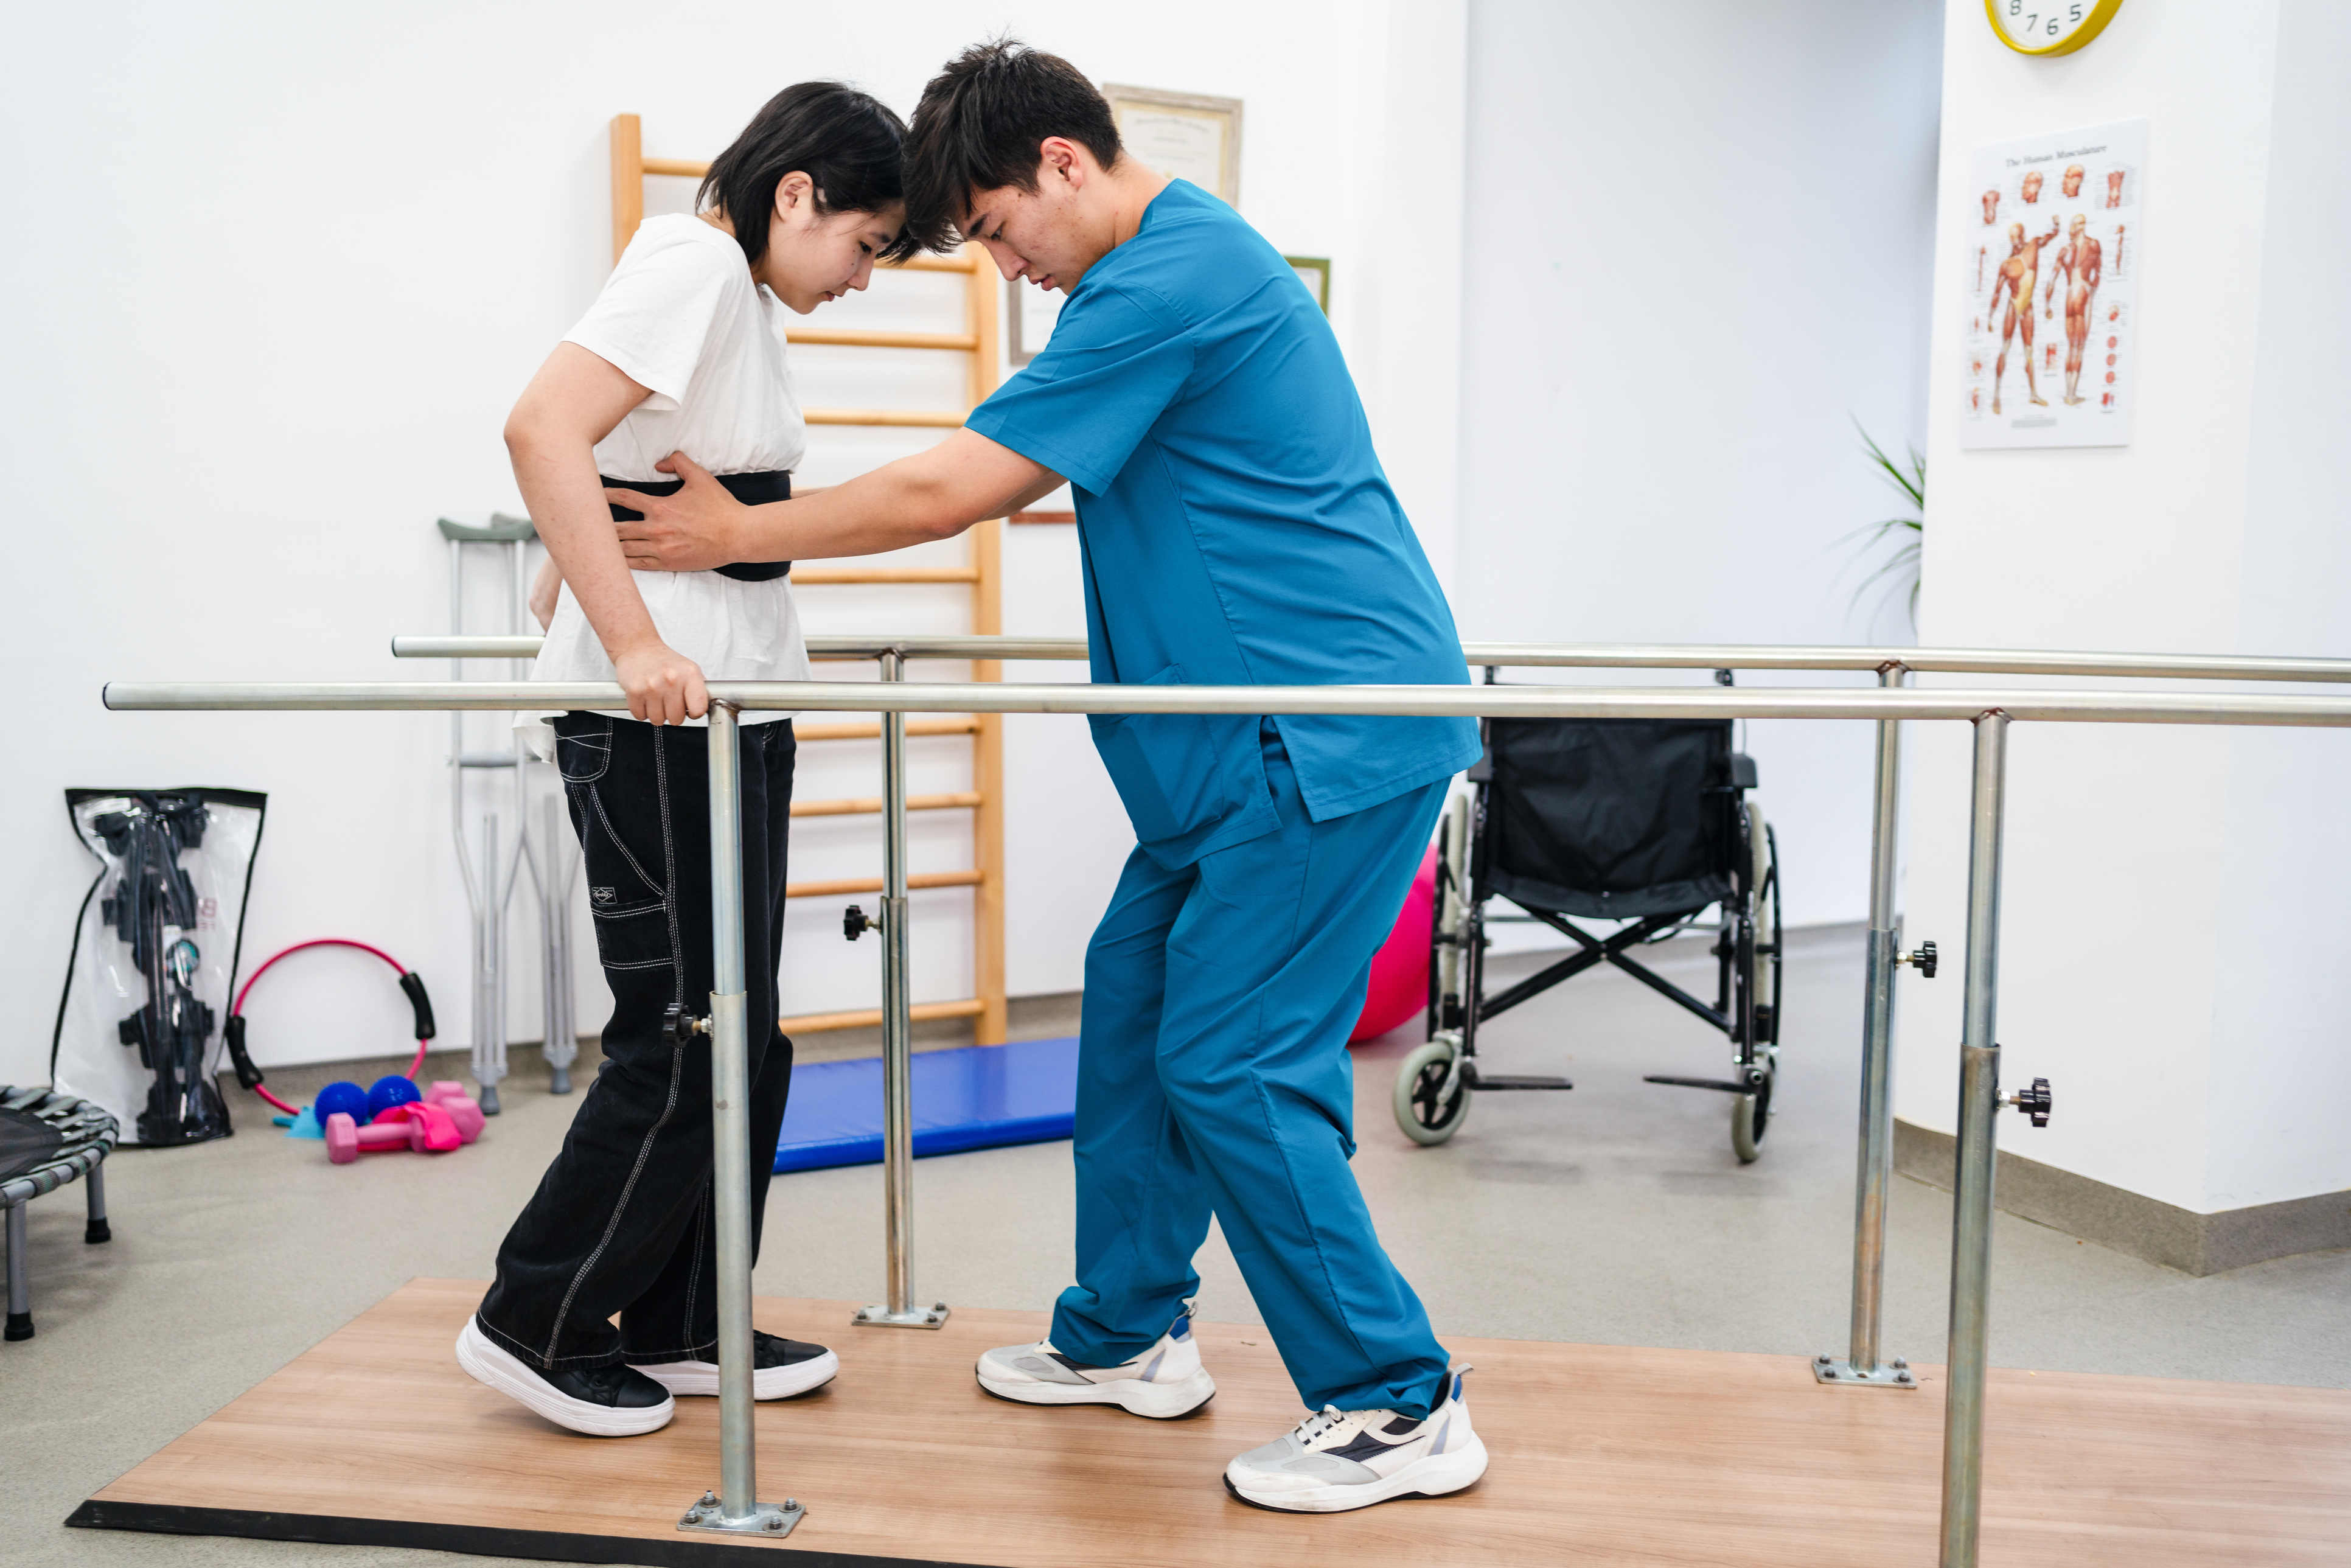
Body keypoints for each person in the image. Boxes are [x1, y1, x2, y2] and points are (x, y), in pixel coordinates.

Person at [611, 38, 1490, 1515]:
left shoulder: (1172, 278)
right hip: (1226, 756)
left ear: (1066, 166)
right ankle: (1129, 1333)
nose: (1007, 270)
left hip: (1317, 741)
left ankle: (1396, 1402)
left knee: (1236, 1064)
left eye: (1002, 232)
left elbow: (956, 484)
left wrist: (734, 537)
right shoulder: (1152, 271)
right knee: (1136, 1009)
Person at [453, 81, 947, 1438]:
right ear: (799, 196)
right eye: (865, 244)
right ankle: (537, 1317)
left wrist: (628, 593)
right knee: (681, 1032)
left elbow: (664, 489)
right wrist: (624, 644)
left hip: (730, 710)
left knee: (746, 1036)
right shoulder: (693, 261)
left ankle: (673, 1317)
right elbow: (540, 427)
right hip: (655, 716)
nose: (861, 278)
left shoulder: (734, 296)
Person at [1991, 218, 2061, 415]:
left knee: (2029, 351)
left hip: (2027, 306)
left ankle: (2033, 393)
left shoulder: (2033, 247)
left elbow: (2047, 238)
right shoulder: (2008, 265)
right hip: (2013, 305)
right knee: (2005, 348)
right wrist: (1990, 316)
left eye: (2019, 235)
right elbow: (1997, 291)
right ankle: (1996, 394)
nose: (2017, 240)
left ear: (2023, 235)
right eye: (2013, 238)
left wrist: (2056, 228)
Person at [2045, 214, 2103, 406]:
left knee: (2071, 347)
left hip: (2069, 295)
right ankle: (2072, 394)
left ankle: (2069, 392)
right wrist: (2091, 291)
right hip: (2083, 291)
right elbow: (2098, 273)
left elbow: (2052, 279)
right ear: (2084, 226)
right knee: (2080, 347)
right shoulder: (2093, 244)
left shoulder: (2065, 250)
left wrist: (2047, 304)